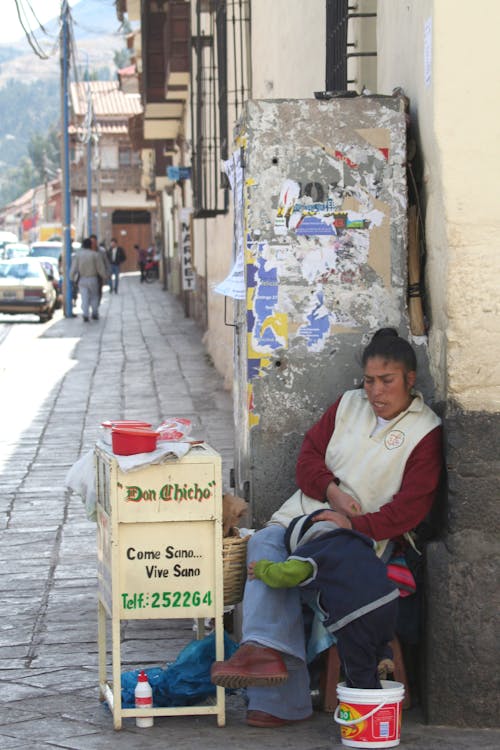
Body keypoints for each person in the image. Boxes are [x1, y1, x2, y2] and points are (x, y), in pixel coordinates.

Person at [211, 328, 443, 728]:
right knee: (264, 543)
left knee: (301, 559)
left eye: (386, 381)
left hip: (359, 537)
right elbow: (307, 460)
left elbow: (410, 510)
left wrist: (351, 521)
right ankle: (264, 654)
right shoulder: (347, 405)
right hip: (304, 515)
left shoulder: (426, 430)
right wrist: (332, 493)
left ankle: (278, 696)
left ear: (409, 379)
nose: (375, 391)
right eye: (369, 381)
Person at [249, 509, 399, 690]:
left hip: (355, 613)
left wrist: (262, 569)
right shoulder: (356, 540)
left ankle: (367, 704)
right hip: (389, 600)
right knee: (378, 637)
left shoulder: (312, 552)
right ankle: (384, 655)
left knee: (356, 664)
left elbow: (285, 575)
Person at [70, 237, 108, 322]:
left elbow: (74, 268)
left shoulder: (78, 255)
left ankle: (85, 314)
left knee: (84, 297)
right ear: (90, 245)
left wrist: (71, 277)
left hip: (82, 279)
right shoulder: (95, 255)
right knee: (94, 296)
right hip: (93, 278)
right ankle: (94, 313)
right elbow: (100, 268)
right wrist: (104, 277)